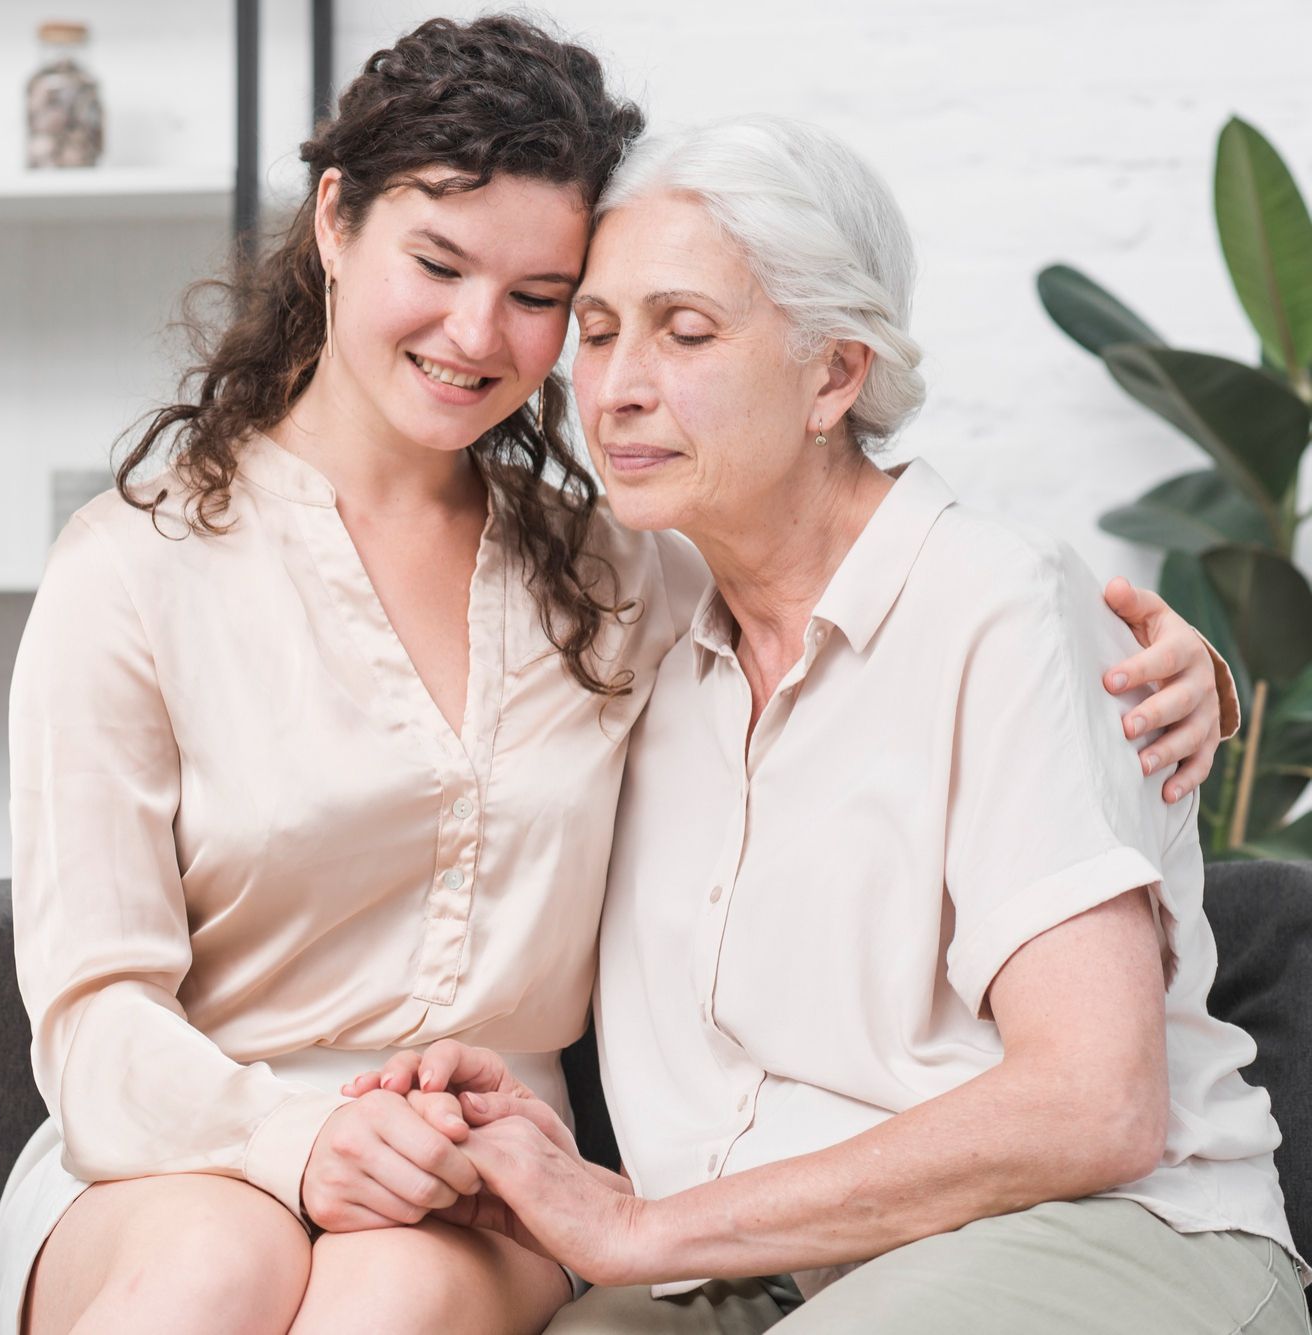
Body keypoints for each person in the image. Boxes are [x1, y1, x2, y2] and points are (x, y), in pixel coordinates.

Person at [0, 20, 1234, 1334]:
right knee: (206, 1276)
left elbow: (854, 592)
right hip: (180, 1137)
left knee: (392, 1299)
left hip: (483, 1161)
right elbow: (92, 1011)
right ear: (335, 224)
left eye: (541, 298)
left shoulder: (619, 567)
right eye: (437, 260)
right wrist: (297, 1140)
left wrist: (1168, 664)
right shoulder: (130, 565)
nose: (479, 331)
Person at [356, 115, 1303, 1334]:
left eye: (685, 331)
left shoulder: (992, 604)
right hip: (783, 1272)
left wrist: (635, 1227)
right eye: (594, 333)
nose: (617, 388)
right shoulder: (632, 619)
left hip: (1108, 1241)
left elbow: (1092, 1104)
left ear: (835, 374)